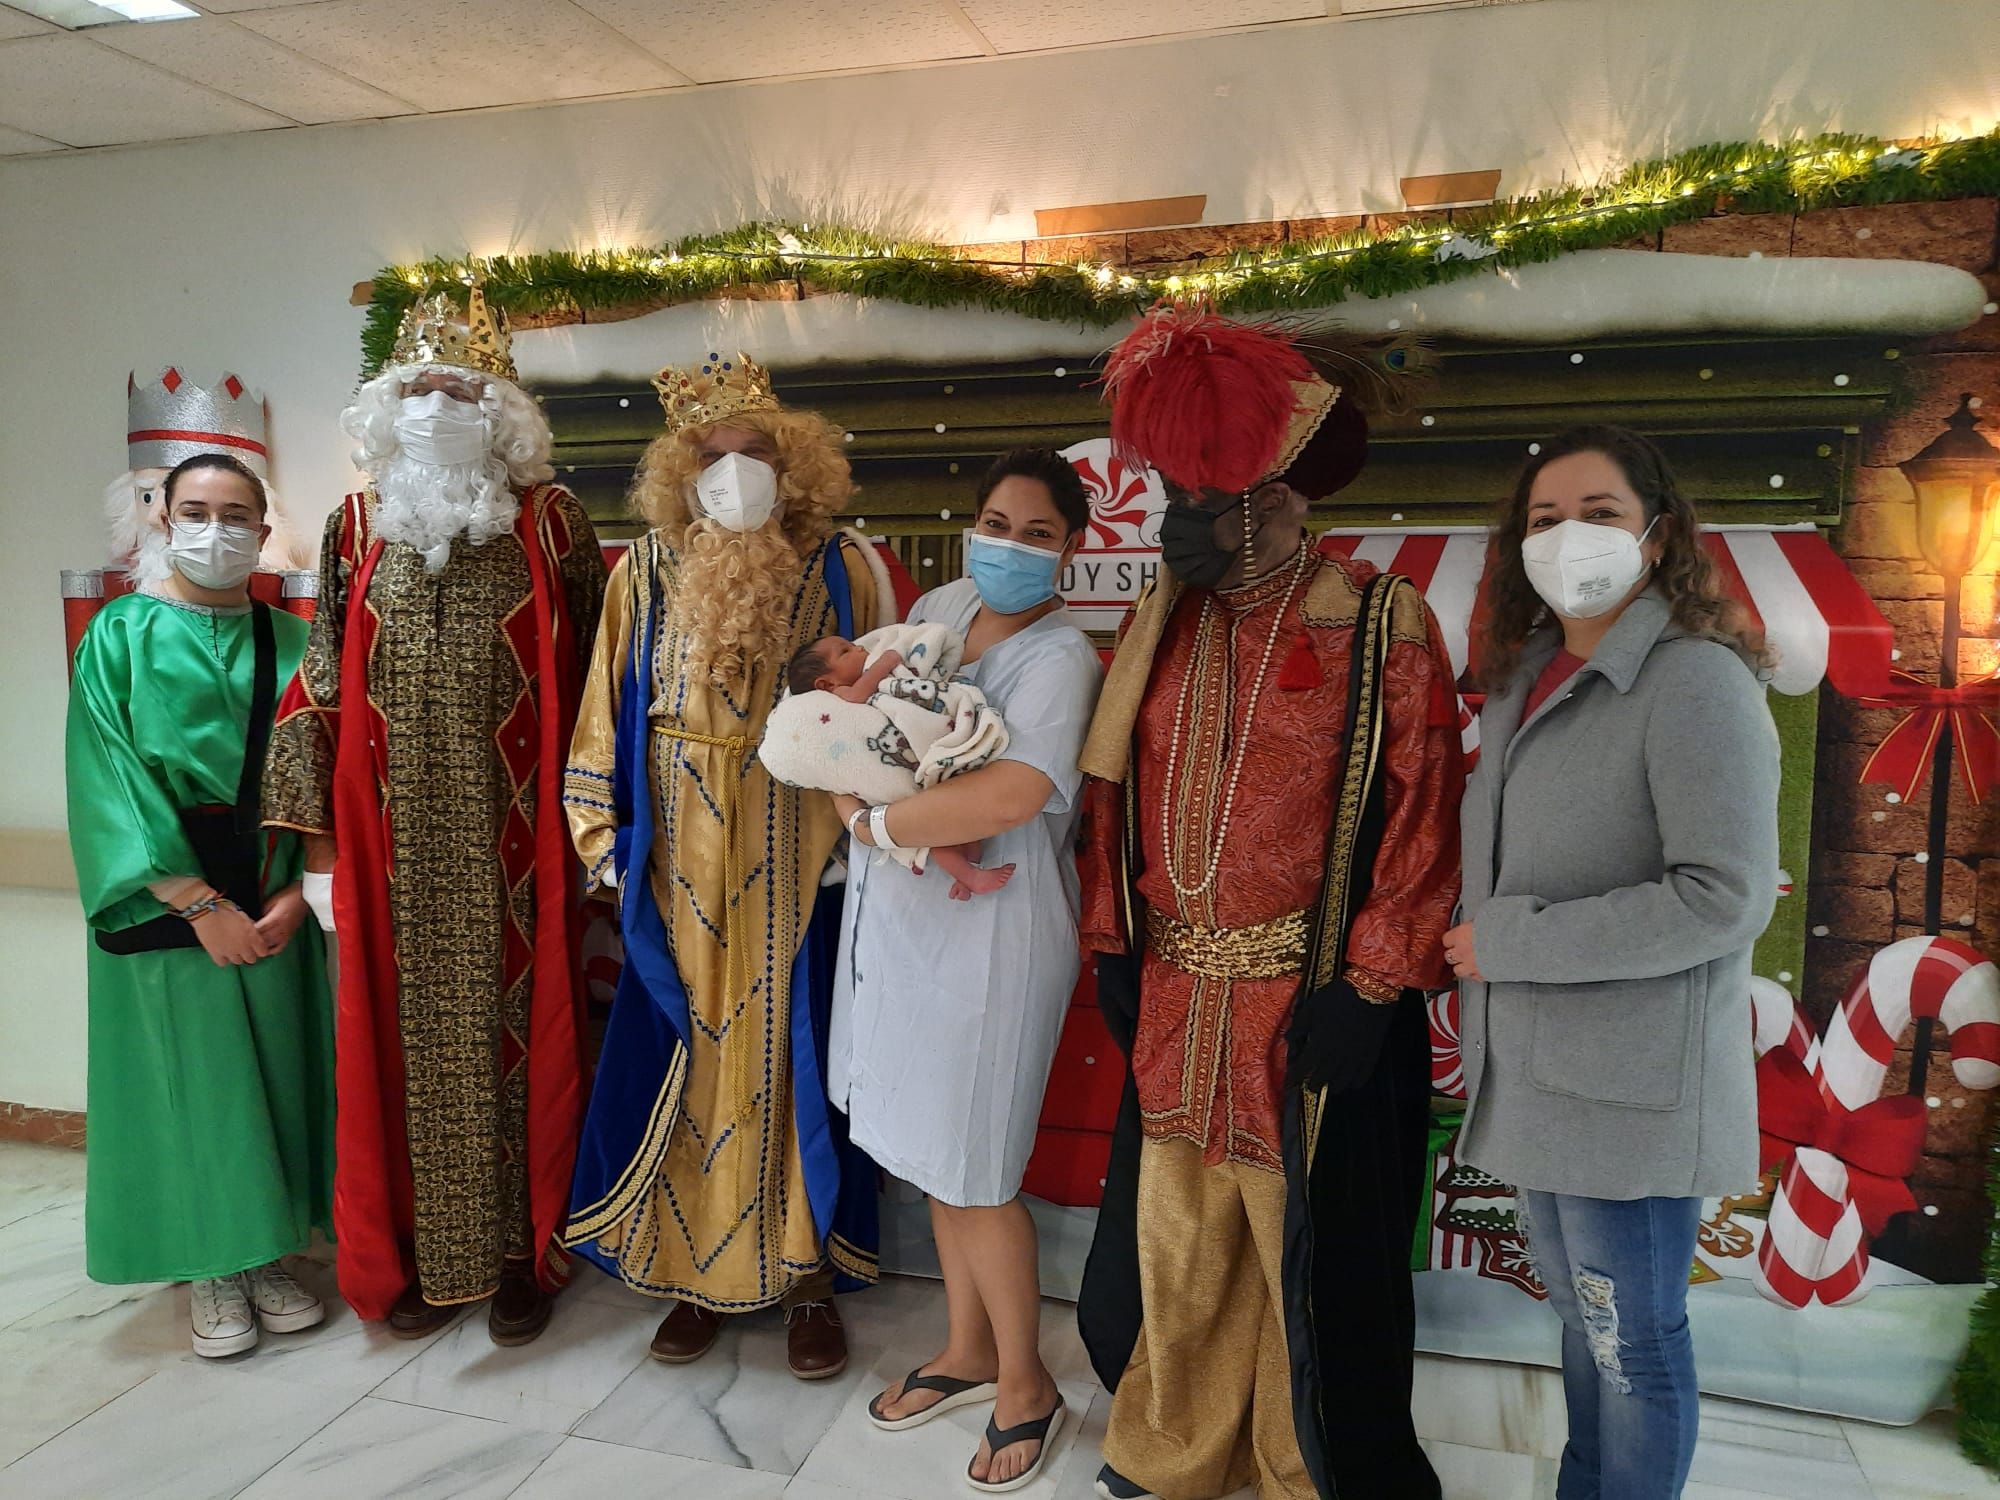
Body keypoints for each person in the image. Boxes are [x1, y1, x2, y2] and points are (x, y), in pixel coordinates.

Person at [1074, 306, 1463, 1500]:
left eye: (1227, 492)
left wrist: (1371, 983)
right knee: (1178, 1247)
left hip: (1308, 1002)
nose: (1201, 517)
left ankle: (1309, 1469)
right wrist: (1110, 938)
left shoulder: (1379, 620)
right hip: (1179, 998)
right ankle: (1173, 1454)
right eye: (1184, 493)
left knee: (1312, 1261)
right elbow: (1110, 798)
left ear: (1290, 488)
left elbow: (1422, 814)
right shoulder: (1161, 620)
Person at [262, 286, 606, 1345]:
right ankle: (407, 1256)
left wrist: (602, 829)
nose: (437, 403)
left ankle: (518, 1260)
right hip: (389, 853)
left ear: (500, 408)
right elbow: (319, 678)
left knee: (522, 1051)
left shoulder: (552, 522)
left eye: (461, 387)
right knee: (393, 1062)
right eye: (418, 386)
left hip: (518, 849)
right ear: (386, 405)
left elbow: (597, 681)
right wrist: (316, 849)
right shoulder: (355, 522)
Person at [1445, 425, 1779, 1500]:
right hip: (1540, 1078)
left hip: (1630, 1093)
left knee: (1630, 1341)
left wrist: (1506, 941)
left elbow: (1718, 898)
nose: (1566, 537)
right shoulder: (1525, 680)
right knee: (1584, 1330)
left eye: (1596, 513)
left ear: (1657, 533)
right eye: (1544, 520)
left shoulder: (1692, 681)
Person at [562, 351, 894, 1380]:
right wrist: (602, 840)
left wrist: (866, 834)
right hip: (679, 862)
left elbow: (885, 715)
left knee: (799, 1063)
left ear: (793, 466)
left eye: (756, 452)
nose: (736, 470)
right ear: (681, 469)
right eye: (715, 455)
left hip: (805, 855)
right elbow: (600, 713)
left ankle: (803, 1281)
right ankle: (688, 1278)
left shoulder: (846, 565)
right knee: (687, 1056)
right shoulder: (643, 571)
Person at [829, 447, 1102, 1491]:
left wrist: (872, 822)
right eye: (996, 521)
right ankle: (967, 1348)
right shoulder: (938, 606)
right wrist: (865, 813)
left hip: (992, 939)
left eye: (1036, 533)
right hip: (905, 926)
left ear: (1070, 549)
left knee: (980, 1170)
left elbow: (1008, 798)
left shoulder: (1057, 658)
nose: (1009, 546)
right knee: (936, 1159)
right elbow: (841, 720)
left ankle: (1026, 1385)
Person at [66, 452, 333, 1359]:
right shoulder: (120, 634)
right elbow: (109, 775)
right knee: (197, 1080)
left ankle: (266, 1252)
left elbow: (325, 782)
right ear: (162, 520)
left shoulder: (297, 644)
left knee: (280, 1073)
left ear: (264, 533)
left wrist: (301, 891)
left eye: (234, 515)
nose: (213, 530)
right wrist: (193, 901)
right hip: (173, 896)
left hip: (274, 890)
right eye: (194, 511)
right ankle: (212, 1263)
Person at [765, 625, 1016, 898]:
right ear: (826, 684)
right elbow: (859, 696)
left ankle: (966, 876)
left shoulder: (850, 690)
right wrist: (884, 663)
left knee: (960, 833)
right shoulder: (840, 695)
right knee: (935, 835)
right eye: (846, 651)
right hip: (901, 781)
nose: (860, 648)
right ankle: (969, 876)